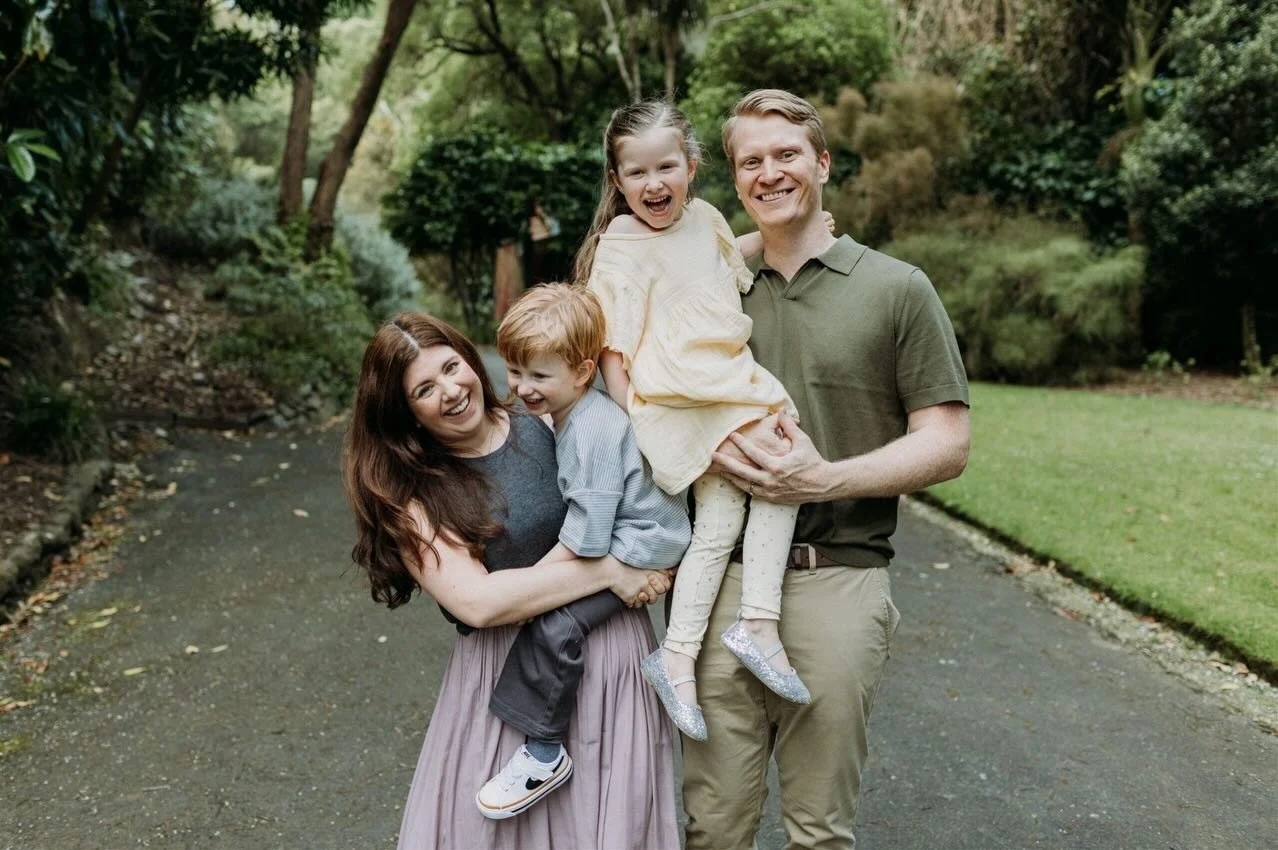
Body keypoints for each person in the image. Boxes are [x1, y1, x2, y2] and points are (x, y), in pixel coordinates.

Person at [678, 89, 972, 850]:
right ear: (735, 180)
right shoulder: (711, 283)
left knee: (818, 831)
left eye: (786, 155)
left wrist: (825, 479)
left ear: (823, 163)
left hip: (839, 575)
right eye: (751, 161)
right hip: (718, 584)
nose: (770, 172)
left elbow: (946, 442)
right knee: (711, 826)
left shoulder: (897, 288)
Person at [343, 312, 681, 849]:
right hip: (509, 677)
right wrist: (614, 569)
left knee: (612, 825)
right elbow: (478, 603)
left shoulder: (548, 421)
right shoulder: (411, 496)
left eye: (453, 367)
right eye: (425, 389)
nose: (452, 391)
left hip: (611, 664)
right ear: (405, 414)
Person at [574, 100, 820, 741]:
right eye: (636, 174)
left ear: (691, 165)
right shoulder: (618, 250)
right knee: (776, 470)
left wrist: (801, 235)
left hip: (723, 383)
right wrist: (642, 432)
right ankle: (757, 622)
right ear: (618, 182)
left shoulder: (707, 220)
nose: (653, 185)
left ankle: (680, 655)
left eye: (667, 167)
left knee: (730, 511)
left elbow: (720, 269)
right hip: (675, 401)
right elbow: (614, 354)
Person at [474, 282, 691, 819]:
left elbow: (589, 535)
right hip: (628, 537)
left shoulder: (590, 430)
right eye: (516, 371)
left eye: (539, 375)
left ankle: (544, 751)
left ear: (583, 371)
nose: (522, 388)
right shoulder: (571, 415)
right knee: (552, 615)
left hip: (639, 544)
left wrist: (537, 585)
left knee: (555, 625)